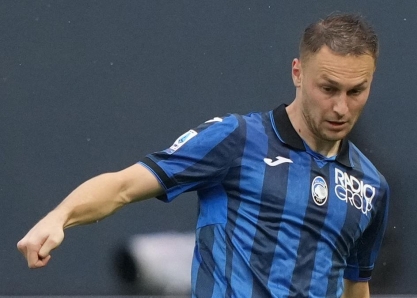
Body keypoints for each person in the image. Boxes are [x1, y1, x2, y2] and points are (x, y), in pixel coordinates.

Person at [17, 13, 389, 298]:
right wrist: (59, 216)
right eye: (328, 88)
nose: (341, 107)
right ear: (297, 72)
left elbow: (355, 288)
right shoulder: (237, 139)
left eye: (356, 91)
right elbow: (123, 186)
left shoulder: (370, 187)